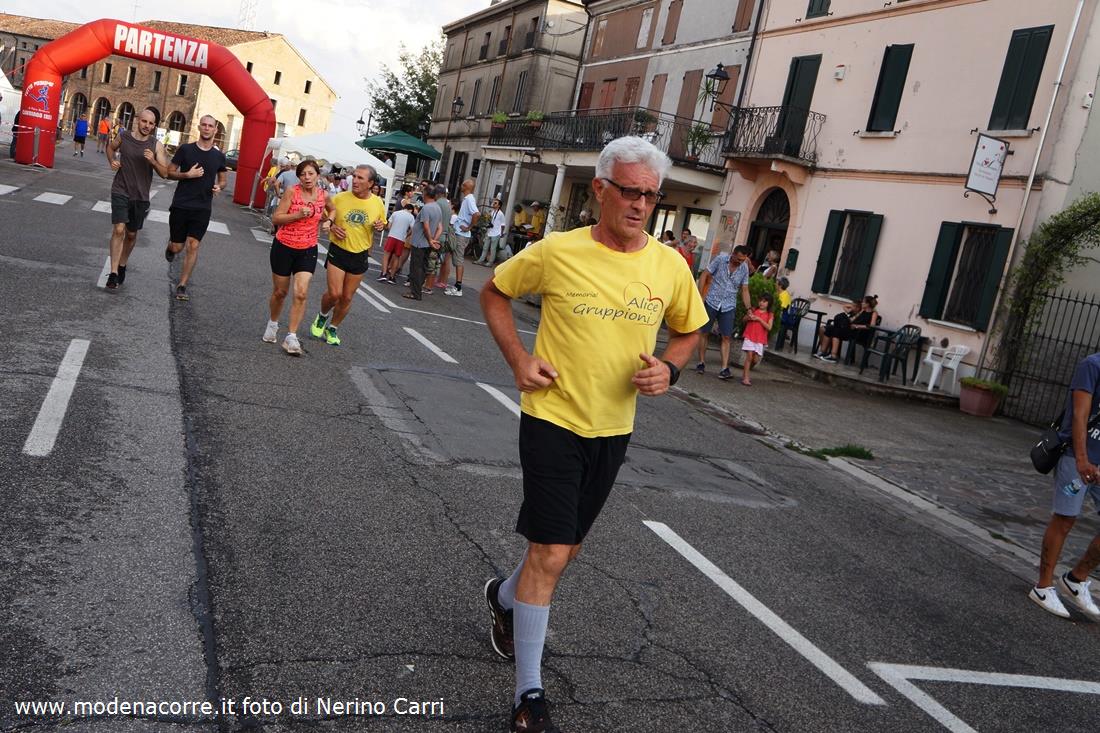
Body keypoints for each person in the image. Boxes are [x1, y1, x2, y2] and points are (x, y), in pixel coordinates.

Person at [480, 136, 708, 732]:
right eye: (629, 192)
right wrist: (518, 359)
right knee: (552, 552)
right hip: (552, 417)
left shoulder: (669, 266)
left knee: (565, 550)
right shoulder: (558, 251)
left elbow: (689, 330)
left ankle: (503, 599)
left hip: (613, 428)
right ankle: (529, 697)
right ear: (601, 190)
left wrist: (671, 368)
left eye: (650, 195)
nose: (640, 205)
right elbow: (495, 291)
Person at [1030, 353, 1100, 620]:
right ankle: (1043, 587)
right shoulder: (1092, 366)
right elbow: (1080, 414)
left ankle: (1076, 579)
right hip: (1076, 456)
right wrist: (1082, 459)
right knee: (1065, 520)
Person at [307, 164, 387, 346]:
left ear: (371, 183)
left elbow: (382, 223)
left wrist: (381, 226)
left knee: (347, 297)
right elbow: (322, 214)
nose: (355, 181)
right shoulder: (340, 198)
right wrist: (333, 226)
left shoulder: (377, 202)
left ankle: (332, 328)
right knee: (335, 294)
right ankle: (322, 316)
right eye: (354, 176)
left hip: (360, 254)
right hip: (339, 250)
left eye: (360, 178)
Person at [263, 159, 327, 355]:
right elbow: (276, 218)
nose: (307, 177)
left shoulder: (324, 195)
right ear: (299, 177)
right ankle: (273, 323)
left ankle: (291, 336)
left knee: (301, 293)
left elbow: (331, 210)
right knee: (280, 292)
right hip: (284, 246)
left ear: (318, 176)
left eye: (311, 174)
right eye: (303, 174)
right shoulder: (292, 192)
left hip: (308, 248)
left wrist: (329, 221)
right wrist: (297, 215)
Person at [103, 107, 171, 290]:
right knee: (119, 229)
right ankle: (113, 273)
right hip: (120, 189)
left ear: (154, 126)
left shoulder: (156, 145)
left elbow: (165, 173)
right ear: (137, 120)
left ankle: (122, 264)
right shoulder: (124, 137)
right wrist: (112, 161)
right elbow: (110, 147)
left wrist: (153, 161)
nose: (147, 125)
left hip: (140, 196)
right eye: (144, 121)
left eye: (151, 123)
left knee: (131, 235)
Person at [163, 115, 228, 301]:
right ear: (199, 127)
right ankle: (171, 247)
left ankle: (182, 285)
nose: (207, 128)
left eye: (210, 126)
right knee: (178, 246)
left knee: (193, 245)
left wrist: (219, 187)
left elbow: (223, 180)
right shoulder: (186, 149)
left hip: (202, 208)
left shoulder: (219, 156)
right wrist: (187, 175)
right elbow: (169, 172)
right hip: (181, 204)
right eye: (204, 125)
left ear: (215, 130)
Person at [694, 244, 752, 380]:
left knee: (726, 337)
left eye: (743, 260)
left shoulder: (744, 268)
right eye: (738, 259)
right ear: (733, 254)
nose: (740, 262)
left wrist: (749, 308)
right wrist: (700, 296)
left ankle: (724, 368)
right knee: (704, 332)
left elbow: (744, 289)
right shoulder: (720, 260)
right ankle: (701, 362)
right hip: (712, 300)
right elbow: (705, 274)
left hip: (728, 305)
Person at [403, 185, 442, 300]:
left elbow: (426, 226)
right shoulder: (437, 207)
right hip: (428, 243)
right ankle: (417, 290)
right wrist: (433, 240)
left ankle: (415, 293)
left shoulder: (426, 208)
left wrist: (430, 239)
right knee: (423, 267)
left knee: (416, 268)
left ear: (425, 194)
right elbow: (440, 227)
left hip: (419, 242)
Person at [815, 295, 877, 363]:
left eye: (863, 302)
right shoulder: (862, 311)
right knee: (831, 329)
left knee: (837, 331)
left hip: (861, 334)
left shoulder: (874, 313)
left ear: (868, 304)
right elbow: (853, 319)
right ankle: (823, 352)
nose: (862, 303)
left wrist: (857, 326)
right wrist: (848, 321)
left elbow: (872, 326)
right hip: (852, 330)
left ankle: (833, 356)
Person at [446, 179, 478, 296]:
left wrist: (469, 227)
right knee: (457, 259)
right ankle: (457, 285)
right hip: (460, 233)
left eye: (463, 184)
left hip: (462, 234)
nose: (461, 186)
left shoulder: (469, 199)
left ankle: (458, 287)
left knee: (458, 260)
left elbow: (476, 214)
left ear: (465, 187)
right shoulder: (467, 199)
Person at [741, 293, 773, 386]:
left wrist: (759, 319)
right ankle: (746, 378)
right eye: (760, 300)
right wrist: (749, 317)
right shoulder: (753, 310)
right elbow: (743, 320)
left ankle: (746, 371)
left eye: (764, 301)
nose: (761, 303)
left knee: (755, 360)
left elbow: (769, 327)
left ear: (769, 303)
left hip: (760, 339)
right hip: (750, 336)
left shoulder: (770, 314)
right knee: (749, 357)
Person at [380, 203, 415, 283]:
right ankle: (392, 277)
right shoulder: (411, 217)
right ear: (411, 210)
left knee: (386, 255)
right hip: (401, 239)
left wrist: (392, 231)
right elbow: (413, 229)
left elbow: (389, 226)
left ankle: (383, 274)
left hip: (392, 236)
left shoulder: (395, 213)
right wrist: (406, 234)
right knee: (397, 257)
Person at [476, 198, 508, 266]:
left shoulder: (501, 214)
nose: (493, 204)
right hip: (490, 232)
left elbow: (503, 225)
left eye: (495, 203)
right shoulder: (492, 212)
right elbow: (490, 221)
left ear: (499, 206)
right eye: (494, 203)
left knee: (493, 249)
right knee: (485, 247)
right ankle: (481, 260)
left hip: (496, 233)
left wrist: (501, 233)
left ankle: (490, 262)